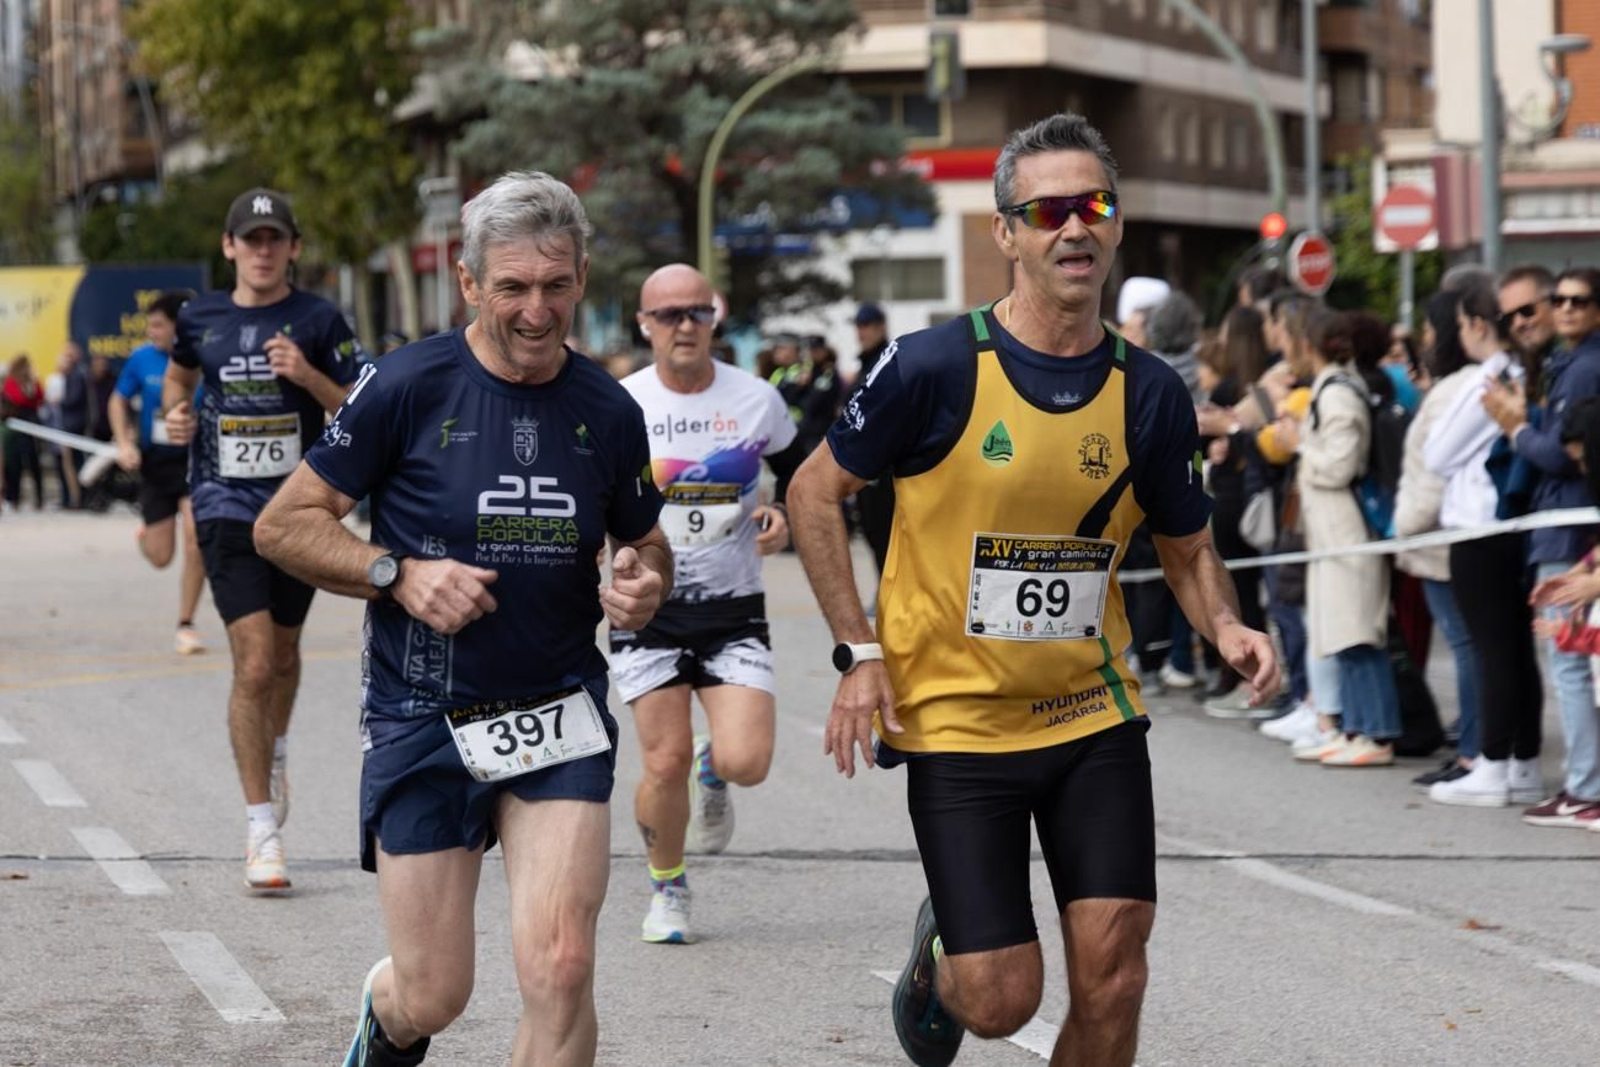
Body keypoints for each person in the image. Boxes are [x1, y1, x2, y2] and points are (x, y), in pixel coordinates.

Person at [788, 113, 1277, 1067]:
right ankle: (945, 955)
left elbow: (1184, 544)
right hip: (957, 720)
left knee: (1117, 969)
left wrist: (1225, 624)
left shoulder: (1149, 392)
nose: (1074, 228)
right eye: (1047, 210)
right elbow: (813, 489)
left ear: (1117, 223)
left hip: (1090, 709)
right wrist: (860, 650)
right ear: (1007, 232)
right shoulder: (935, 366)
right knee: (1003, 1001)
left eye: (1093, 205)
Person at [254, 170, 670, 1067]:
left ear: (583, 278)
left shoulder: (608, 408)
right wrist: (393, 572)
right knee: (434, 992)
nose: (535, 310)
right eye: (512, 287)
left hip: (557, 709)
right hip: (423, 709)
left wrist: (642, 581)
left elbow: (648, 545)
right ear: (469, 282)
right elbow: (283, 524)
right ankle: (386, 1012)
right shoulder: (406, 385)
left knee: (562, 964)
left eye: (556, 285)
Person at [162, 187, 365, 891]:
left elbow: (363, 404)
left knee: (284, 653)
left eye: (275, 237)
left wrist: (307, 375)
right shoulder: (200, 317)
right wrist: (176, 418)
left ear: (293, 248)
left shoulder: (317, 318)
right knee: (252, 665)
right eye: (250, 239)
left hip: (299, 512)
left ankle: (275, 749)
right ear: (229, 248)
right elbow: (177, 382)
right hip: (224, 506)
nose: (262, 249)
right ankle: (261, 829)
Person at [610, 262, 805, 945]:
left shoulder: (756, 399)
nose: (685, 325)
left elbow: (801, 469)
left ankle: (713, 765)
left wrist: (782, 510)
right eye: (669, 315)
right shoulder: (620, 404)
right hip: (649, 611)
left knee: (747, 760)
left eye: (697, 312)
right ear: (645, 324)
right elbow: (590, 496)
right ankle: (668, 885)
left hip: (732, 610)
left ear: (715, 319)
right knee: (658, 762)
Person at [1483, 267, 1600, 824]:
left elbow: (1559, 455)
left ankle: (1585, 786)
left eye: (1580, 301)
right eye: (1561, 300)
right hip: (1566, 527)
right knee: (1575, 660)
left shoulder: (1582, 369)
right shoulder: (1570, 364)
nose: (1568, 309)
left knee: (1571, 661)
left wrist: (1514, 429)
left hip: (1570, 531)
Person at [1424, 285, 1545, 807]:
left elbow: (1436, 453)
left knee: (1496, 648)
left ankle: (1494, 765)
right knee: (1516, 649)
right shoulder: (1525, 370)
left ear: (1476, 323)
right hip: (1509, 524)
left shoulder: (1488, 377)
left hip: (1479, 527)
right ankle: (1522, 762)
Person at [1272, 310, 1404, 767]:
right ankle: (1356, 727)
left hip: (1346, 531)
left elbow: (1341, 464)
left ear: (1310, 346)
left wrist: (1299, 446)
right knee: (1341, 635)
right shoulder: (1335, 387)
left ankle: (1377, 732)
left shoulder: (1338, 394)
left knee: (1358, 635)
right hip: (1331, 533)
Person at [1394, 293, 1482, 791]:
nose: (1425, 340)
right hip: (1440, 538)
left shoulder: (1455, 390)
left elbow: (1431, 469)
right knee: (1470, 646)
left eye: (1430, 330)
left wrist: (1405, 524)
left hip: (1439, 539)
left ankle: (1474, 752)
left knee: (1469, 647)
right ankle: (1474, 748)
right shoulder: (1453, 386)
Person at [111, 290, 207, 655]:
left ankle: (186, 623)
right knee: (161, 556)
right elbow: (117, 400)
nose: (150, 331)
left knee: (196, 537)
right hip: (155, 464)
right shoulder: (141, 360)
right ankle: (145, 536)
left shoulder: (204, 358)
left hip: (195, 461)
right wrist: (123, 442)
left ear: (179, 327)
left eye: (157, 325)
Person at [852, 303, 896, 576]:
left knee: (885, 532)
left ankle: (889, 589)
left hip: (884, 466)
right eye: (858, 326)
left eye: (866, 326)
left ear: (881, 327)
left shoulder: (889, 360)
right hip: (862, 464)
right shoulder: (864, 362)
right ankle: (883, 587)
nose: (861, 332)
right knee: (871, 531)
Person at [2, 354, 45, 511]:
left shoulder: (32, 382)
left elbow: (40, 397)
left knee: (34, 463)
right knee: (16, 465)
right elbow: (18, 399)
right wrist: (29, 395)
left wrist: (33, 382)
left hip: (32, 424)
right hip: (17, 426)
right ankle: (14, 498)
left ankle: (39, 498)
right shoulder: (11, 382)